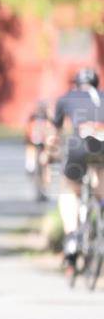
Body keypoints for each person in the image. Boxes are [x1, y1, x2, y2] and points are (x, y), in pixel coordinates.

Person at [50, 67, 104, 267]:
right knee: (99, 179)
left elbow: (53, 136)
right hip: (102, 145)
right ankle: (99, 213)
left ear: (76, 84)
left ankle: (72, 238)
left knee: (69, 189)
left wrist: (49, 155)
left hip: (78, 146)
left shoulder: (66, 98)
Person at [25, 100, 52, 201]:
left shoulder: (33, 117)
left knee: (39, 166)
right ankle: (44, 188)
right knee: (46, 166)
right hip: (43, 144)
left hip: (34, 143)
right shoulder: (47, 118)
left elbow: (27, 135)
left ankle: (30, 165)